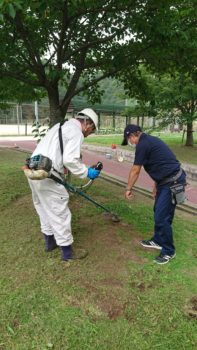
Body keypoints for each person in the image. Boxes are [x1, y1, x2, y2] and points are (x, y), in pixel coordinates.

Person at [28, 108, 101, 261]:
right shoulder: (76, 132)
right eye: (92, 130)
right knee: (60, 212)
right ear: (87, 123)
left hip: (33, 170)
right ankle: (68, 253)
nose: (89, 134)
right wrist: (87, 172)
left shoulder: (60, 126)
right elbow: (70, 159)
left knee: (43, 207)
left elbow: (57, 152)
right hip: (48, 175)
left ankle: (50, 243)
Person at [122, 124, 186, 265]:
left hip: (173, 182)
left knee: (162, 216)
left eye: (129, 139)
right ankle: (157, 240)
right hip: (165, 181)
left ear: (133, 135)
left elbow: (135, 170)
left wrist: (128, 189)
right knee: (158, 210)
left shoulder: (143, 144)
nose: (130, 143)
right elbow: (161, 163)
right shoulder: (148, 141)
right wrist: (156, 184)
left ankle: (169, 251)